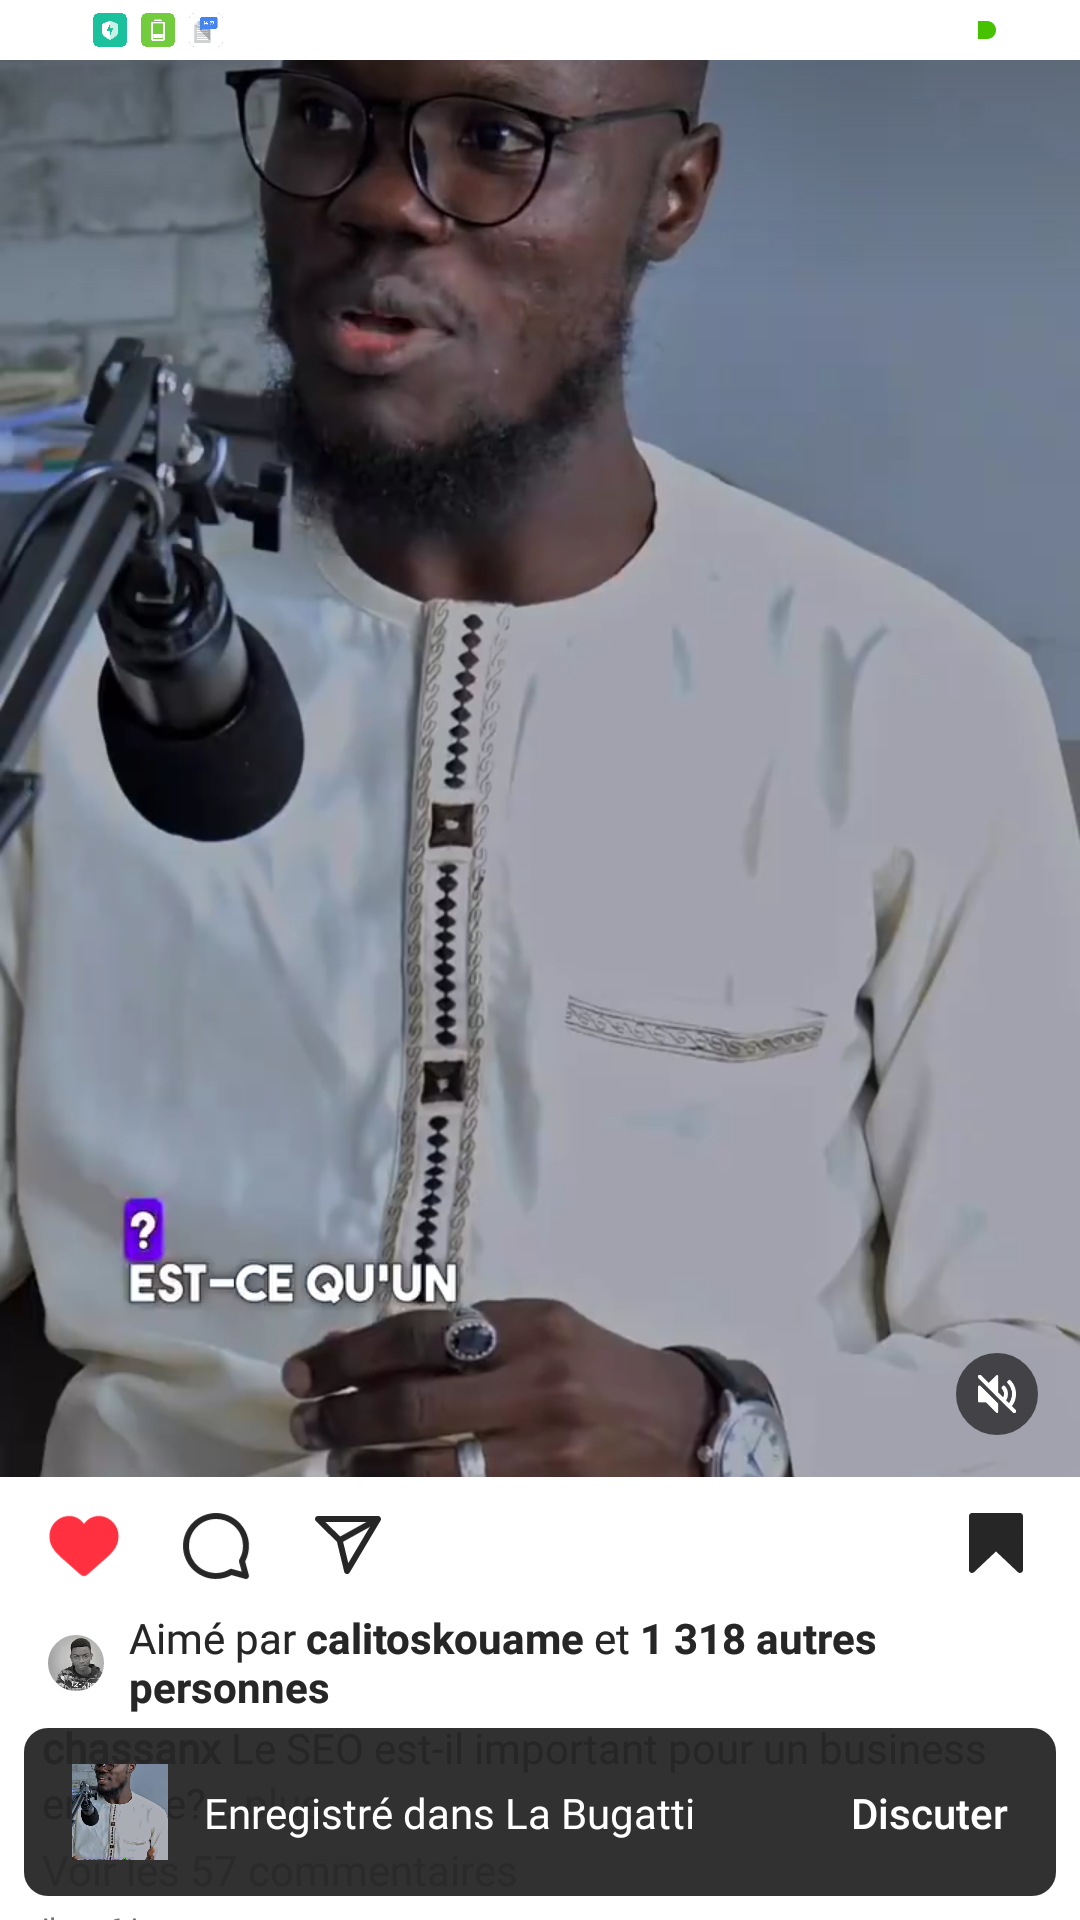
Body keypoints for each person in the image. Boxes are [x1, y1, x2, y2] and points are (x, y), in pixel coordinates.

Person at [1, 60, 1078, 1479]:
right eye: (324, 115)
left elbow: (1037, 1383)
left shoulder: (916, 700)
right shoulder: (61, 660)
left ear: (674, 193)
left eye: (498, 138)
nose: (382, 198)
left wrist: (724, 1434)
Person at [71, 1763, 167, 1861]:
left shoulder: (154, 1814)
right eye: (98, 1763)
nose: (101, 1769)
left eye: (110, 1763)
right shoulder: (76, 1810)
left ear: (131, 1766)